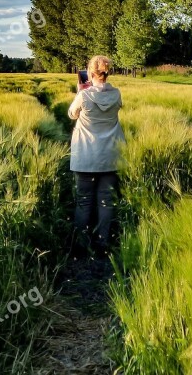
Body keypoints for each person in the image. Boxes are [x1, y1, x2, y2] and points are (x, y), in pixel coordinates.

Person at [68, 55, 124, 256]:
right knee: (106, 200)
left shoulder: (84, 96)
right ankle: (103, 244)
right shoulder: (117, 94)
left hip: (86, 156)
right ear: (107, 73)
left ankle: (82, 245)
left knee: (84, 200)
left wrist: (81, 91)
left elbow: (72, 114)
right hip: (110, 155)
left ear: (90, 73)